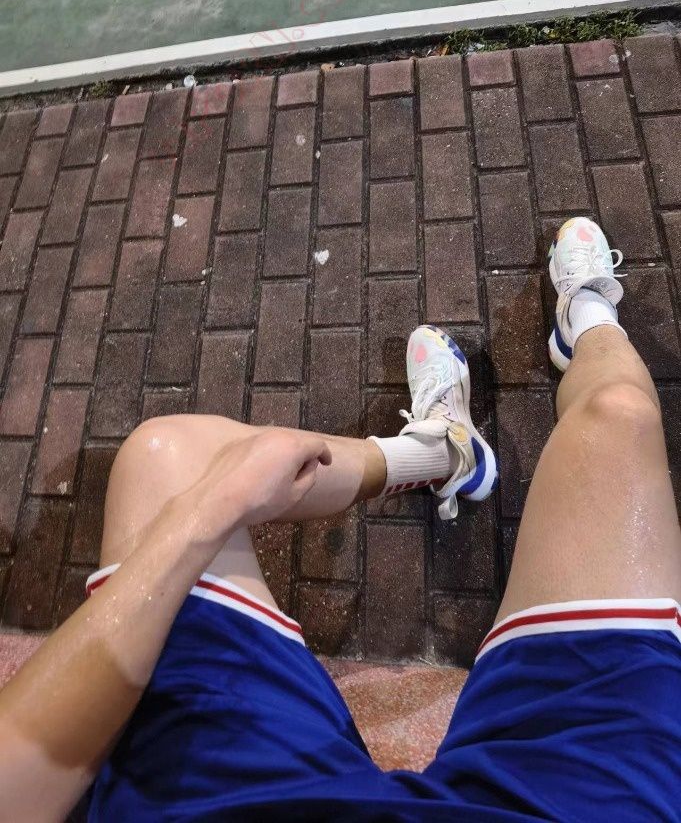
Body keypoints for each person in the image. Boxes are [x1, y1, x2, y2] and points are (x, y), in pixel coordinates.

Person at [0, 217, 679, 822]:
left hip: (223, 800)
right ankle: (589, 317)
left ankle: (439, 453)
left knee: (164, 455)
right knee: (617, 416)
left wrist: (210, 507)